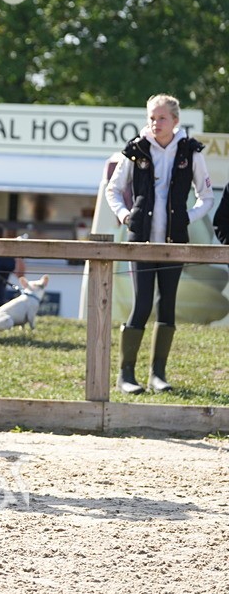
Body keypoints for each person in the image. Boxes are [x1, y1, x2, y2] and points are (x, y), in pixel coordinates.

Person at [104, 94, 212, 394]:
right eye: (152, 117)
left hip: (174, 242)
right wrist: (126, 217)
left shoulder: (190, 151)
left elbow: (207, 197)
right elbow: (113, 191)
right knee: (141, 304)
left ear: (175, 120)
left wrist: (186, 218)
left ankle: (157, 375)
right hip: (141, 241)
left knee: (168, 305)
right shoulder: (136, 149)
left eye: (162, 118)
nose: (155, 123)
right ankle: (126, 375)